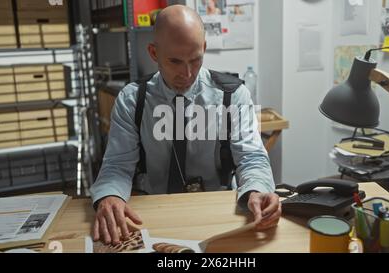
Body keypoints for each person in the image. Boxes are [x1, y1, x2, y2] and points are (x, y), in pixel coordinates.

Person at [90, 5, 281, 245]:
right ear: (153, 53)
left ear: (204, 48)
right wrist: (109, 195)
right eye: (175, 61)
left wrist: (256, 189)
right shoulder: (132, 100)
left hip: (218, 211)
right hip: (151, 212)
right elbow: (117, 164)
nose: (187, 73)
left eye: (195, 60)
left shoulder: (233, 96)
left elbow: (251, 157)